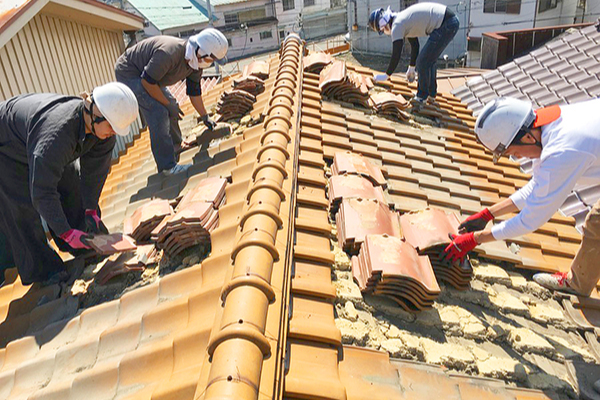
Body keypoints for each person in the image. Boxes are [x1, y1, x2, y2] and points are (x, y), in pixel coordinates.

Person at [442, 97, 600, 297]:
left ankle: (577, 284)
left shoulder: (563, 151)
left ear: (526, 138)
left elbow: (531, 219)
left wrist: (475, 239)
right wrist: (487, 214)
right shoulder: (544, 127)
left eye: (513, 152)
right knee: (597, 223)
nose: (518, 158)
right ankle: (577, 283)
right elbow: (537, 186)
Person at [0, 82, 139, 286]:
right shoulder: (57, 134)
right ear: (95, 112)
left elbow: (93, 175)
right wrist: (66, 232)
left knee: (70, 180)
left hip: (36, 141)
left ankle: (84, 245)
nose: (114, 132)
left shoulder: (103, 131)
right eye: (111, 126)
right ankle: (42, 271)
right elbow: (43, 193)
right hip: (6, 146)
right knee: (22, 207)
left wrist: (90, 210)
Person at [115, 28, 228, 175]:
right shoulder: (169, 53)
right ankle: (167, 167)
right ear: (202, 52)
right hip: (130, 73)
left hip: (150, 76)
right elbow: (147, 83)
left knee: (173, 106)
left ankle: (176, 145)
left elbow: (194, 93)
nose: (211, 63)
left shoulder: (195, 63)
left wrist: (205, 116)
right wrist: (167, 105)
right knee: (159, 112)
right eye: (211, 59)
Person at [368, 3, 459, 103]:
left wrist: (386, 75)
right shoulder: (403, 20)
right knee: (429, 60)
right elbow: (415, 45)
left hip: (446, 23)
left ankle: (421, 97)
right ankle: (431, 94)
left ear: (384, 27)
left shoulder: (397, 26)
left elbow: (396, 54)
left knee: (423, 61)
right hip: (449, 21)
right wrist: (411, 67)